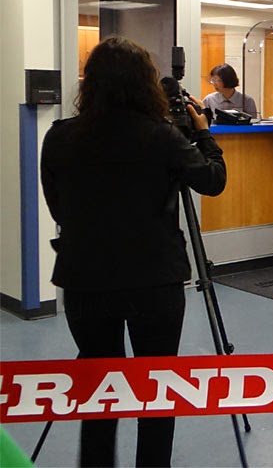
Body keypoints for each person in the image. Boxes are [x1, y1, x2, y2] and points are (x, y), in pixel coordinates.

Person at [40, 36, 227, 467]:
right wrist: (204, 135)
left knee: (98, 389)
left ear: (91, 85)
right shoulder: (162, 137)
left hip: (85, 280)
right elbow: (212, 181)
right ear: (146, 85)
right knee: (156, 388)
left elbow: (58, 207)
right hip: (153, 280)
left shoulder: (60, 137)